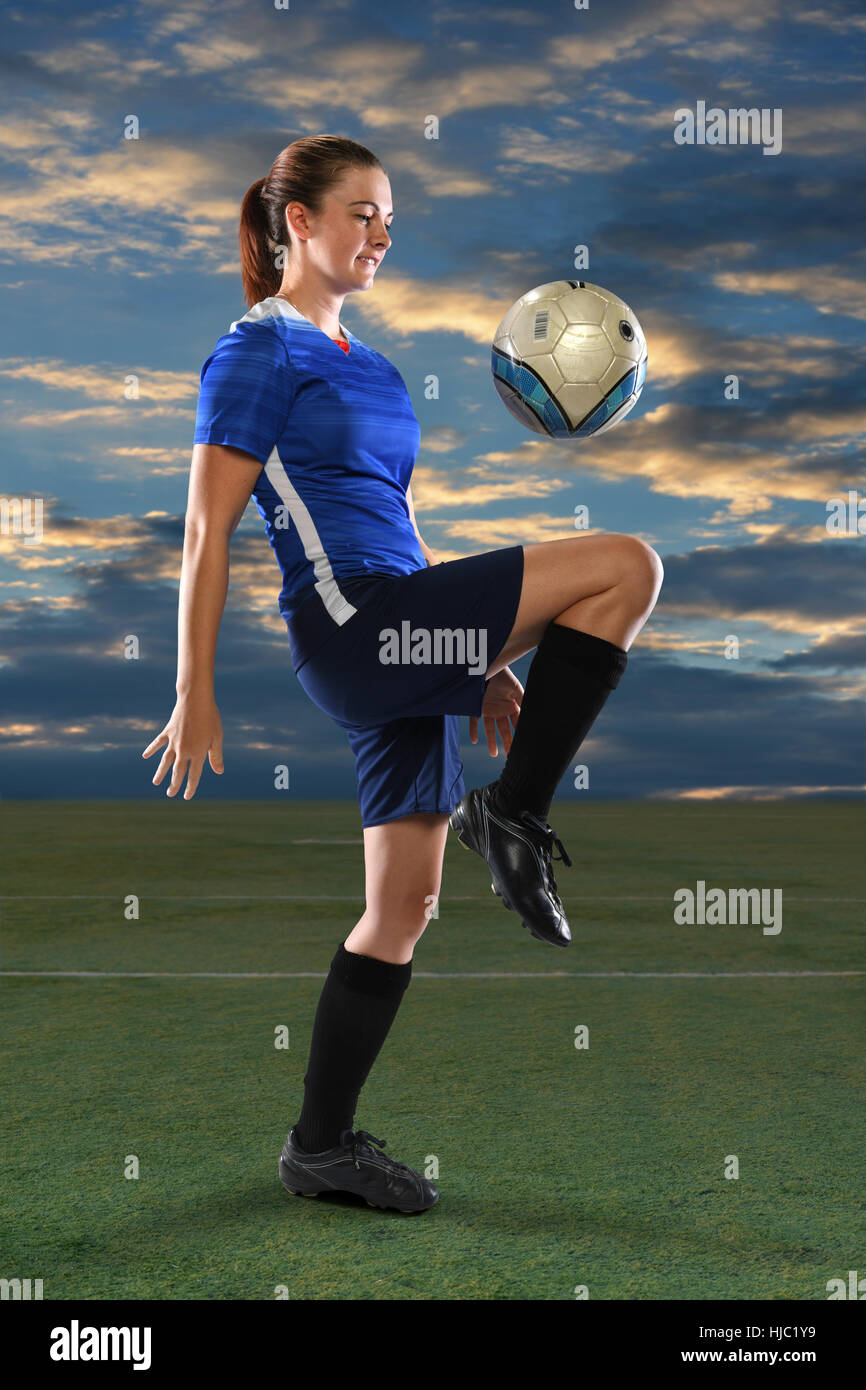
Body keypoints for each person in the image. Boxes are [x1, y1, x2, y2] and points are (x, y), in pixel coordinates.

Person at [142, 135, 663, 1216]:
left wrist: (476, 663)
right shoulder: (253, 355)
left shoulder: (373, 367)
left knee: (403, 905)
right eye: (362, 214)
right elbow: (205, 530)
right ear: (299, 222)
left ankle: (318, 1147)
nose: (381, 234)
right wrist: (194, 688)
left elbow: (400, 525)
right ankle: (512, 816)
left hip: (410, 627)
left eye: (389, 219)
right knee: (625, 564)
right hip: (356, 631)